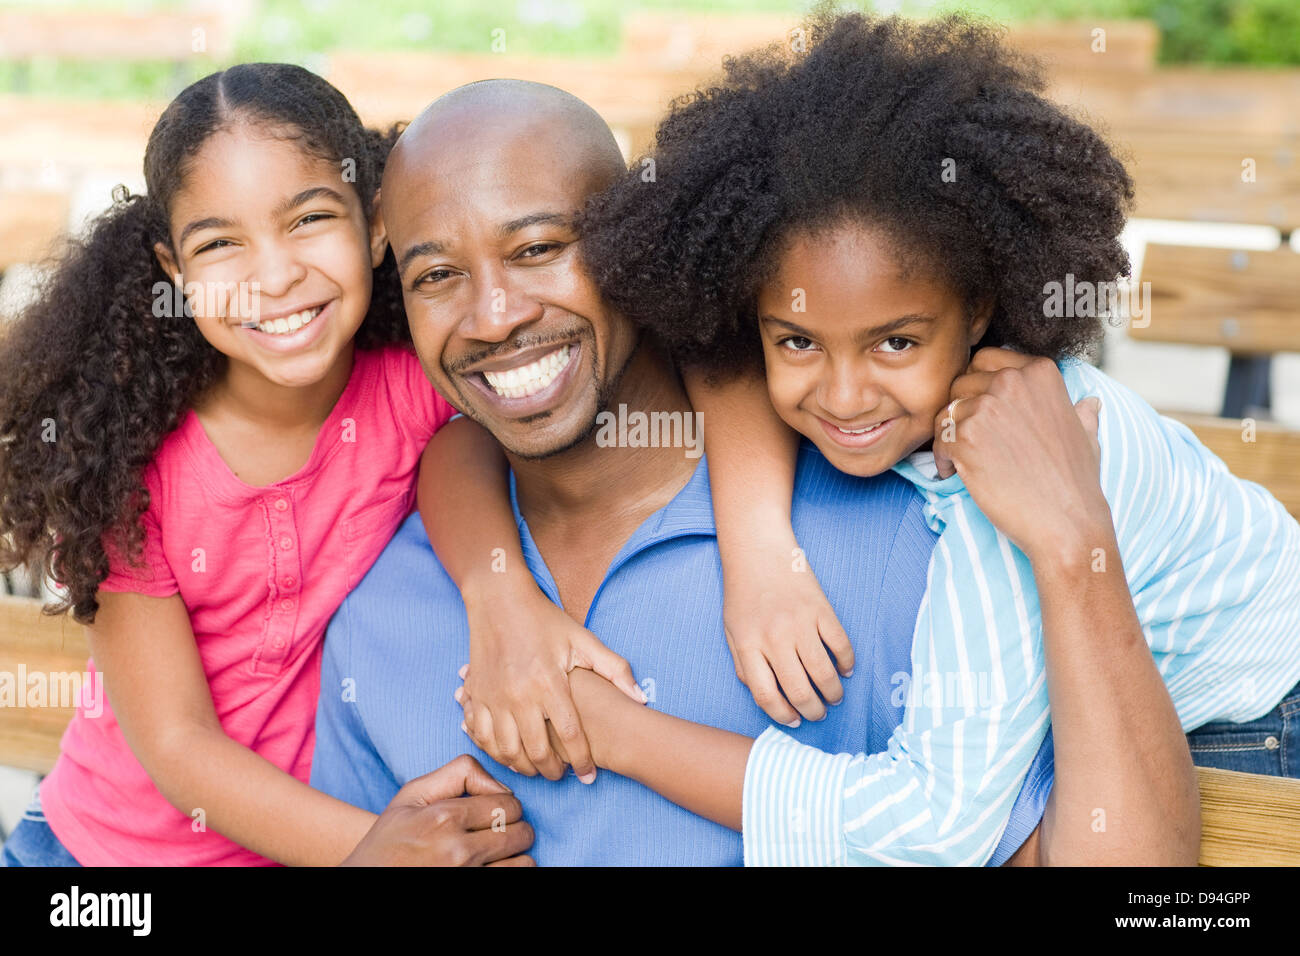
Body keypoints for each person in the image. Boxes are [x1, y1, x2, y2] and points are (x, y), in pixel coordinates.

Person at [460, 10, 1298, 864]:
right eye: (796, 341)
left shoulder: (1001, 466)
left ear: (978, 311)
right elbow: (682, 367)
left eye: (895, 342)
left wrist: (617, 731)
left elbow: (937, 828)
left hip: (1260, 726)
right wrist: (760, 556)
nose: (846, 394)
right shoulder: (835, 372)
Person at [311, 78, 1195, 866]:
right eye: (437, 276)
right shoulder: (380, 617)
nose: (494, 316)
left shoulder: (908, 547)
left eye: (539, 248)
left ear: (636, 242)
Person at [0, 63, 634, 867]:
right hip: (95, 860)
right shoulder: (127, 466)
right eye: (221, 243)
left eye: (307, 220)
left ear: (375, 228)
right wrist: (380, 852)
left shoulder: (419, 386)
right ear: (174, 271)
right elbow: (175, 744)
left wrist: (499, 595)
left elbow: (465, 449)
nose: (274, 276)